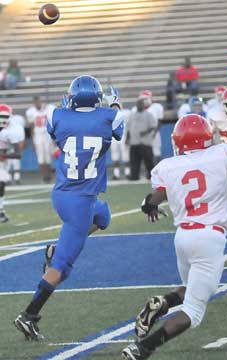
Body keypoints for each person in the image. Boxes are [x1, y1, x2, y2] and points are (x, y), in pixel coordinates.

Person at [121, 114, 227, 360]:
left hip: (183, 237)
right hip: (210, 237)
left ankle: (161, 304)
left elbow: (153, 199)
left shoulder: (168, 166)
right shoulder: (225, 153)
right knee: (193, 311)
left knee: (190, 288)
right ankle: (143, 348)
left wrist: (148, 206)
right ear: (208, 136)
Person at [14, 75, 124, 340]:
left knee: (105, 215)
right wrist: (116, 104)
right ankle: (29, 315)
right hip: (81, 202)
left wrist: (67, 108)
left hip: (63, 194)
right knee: (61, 268)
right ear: (98, 98)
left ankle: (56, 248)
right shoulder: (110, 116)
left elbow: (55, 128)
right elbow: (118, 127)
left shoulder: (57, 115)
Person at [0, 104, 25, 222]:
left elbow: (18, 154)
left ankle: (0, 210)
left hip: (2, 161)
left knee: (1, 184)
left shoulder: (13, 129)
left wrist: (3, 155)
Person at [26, 96, 55, 183]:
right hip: (38, 135)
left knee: (48, 157)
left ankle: (49, 176)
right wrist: (33, 141)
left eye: (39, 101)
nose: (37, 103)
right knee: (41, 158)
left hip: (47, 134)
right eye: (36, 102)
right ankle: (44, 176)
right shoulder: (30, 112)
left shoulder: (48, 108)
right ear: (34, 103)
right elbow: (31, 127)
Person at [127, 98, 157, 180]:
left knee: (149, 161)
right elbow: (128, 128)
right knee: (134, 161)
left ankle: (151, 176)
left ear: (144, 105)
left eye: (141, 104)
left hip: (145, 142)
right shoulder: (132, 115)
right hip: (134, 142)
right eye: (138, 104)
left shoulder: (148, 114)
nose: (139, 105)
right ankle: (134, 176)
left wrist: (145, 132)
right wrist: (127, 138)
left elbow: (153, 126)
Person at [138, 90, 164, 164]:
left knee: (156, 152)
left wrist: (154, 133)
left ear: (151, 98)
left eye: (146, 99)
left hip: (154, 133)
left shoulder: (156, 107)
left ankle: (159, 170)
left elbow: (159, 121)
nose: (145, 101)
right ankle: (149, 172)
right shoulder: (137, 110)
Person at [110, 107, 131, 180]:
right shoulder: (110, 113)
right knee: (115, 156)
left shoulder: (126, 113)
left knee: (126, 156)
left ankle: (127, 173)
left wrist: (128, 137)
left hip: (123, 136)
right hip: (113, 137)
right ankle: (116, 174)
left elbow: (129, 126)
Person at [8, 113, 26, 184]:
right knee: (8, 162)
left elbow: (22, 135)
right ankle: (8, 178)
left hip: (16, 142)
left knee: (16, 161)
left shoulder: (18, 122)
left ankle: (16, 177)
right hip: (7, 143)